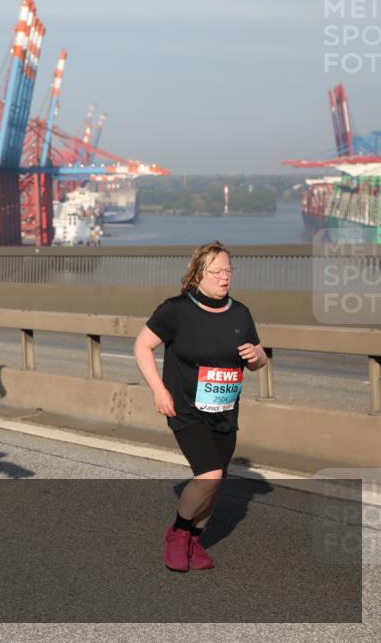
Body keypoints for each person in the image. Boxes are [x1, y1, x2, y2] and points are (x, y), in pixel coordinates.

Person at [133, 241, 267, 572]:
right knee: (209, 475)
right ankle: (178, 533)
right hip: (186, 409)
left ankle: (195, 541)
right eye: (216, 271)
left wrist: (257, 357)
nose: (224, 277)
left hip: (224, 411)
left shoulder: (240, 313)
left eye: (228, 271)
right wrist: (158, 390)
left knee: (215, 483)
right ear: (198, 275)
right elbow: (142, 346)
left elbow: (260, 359)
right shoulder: (176, 310)